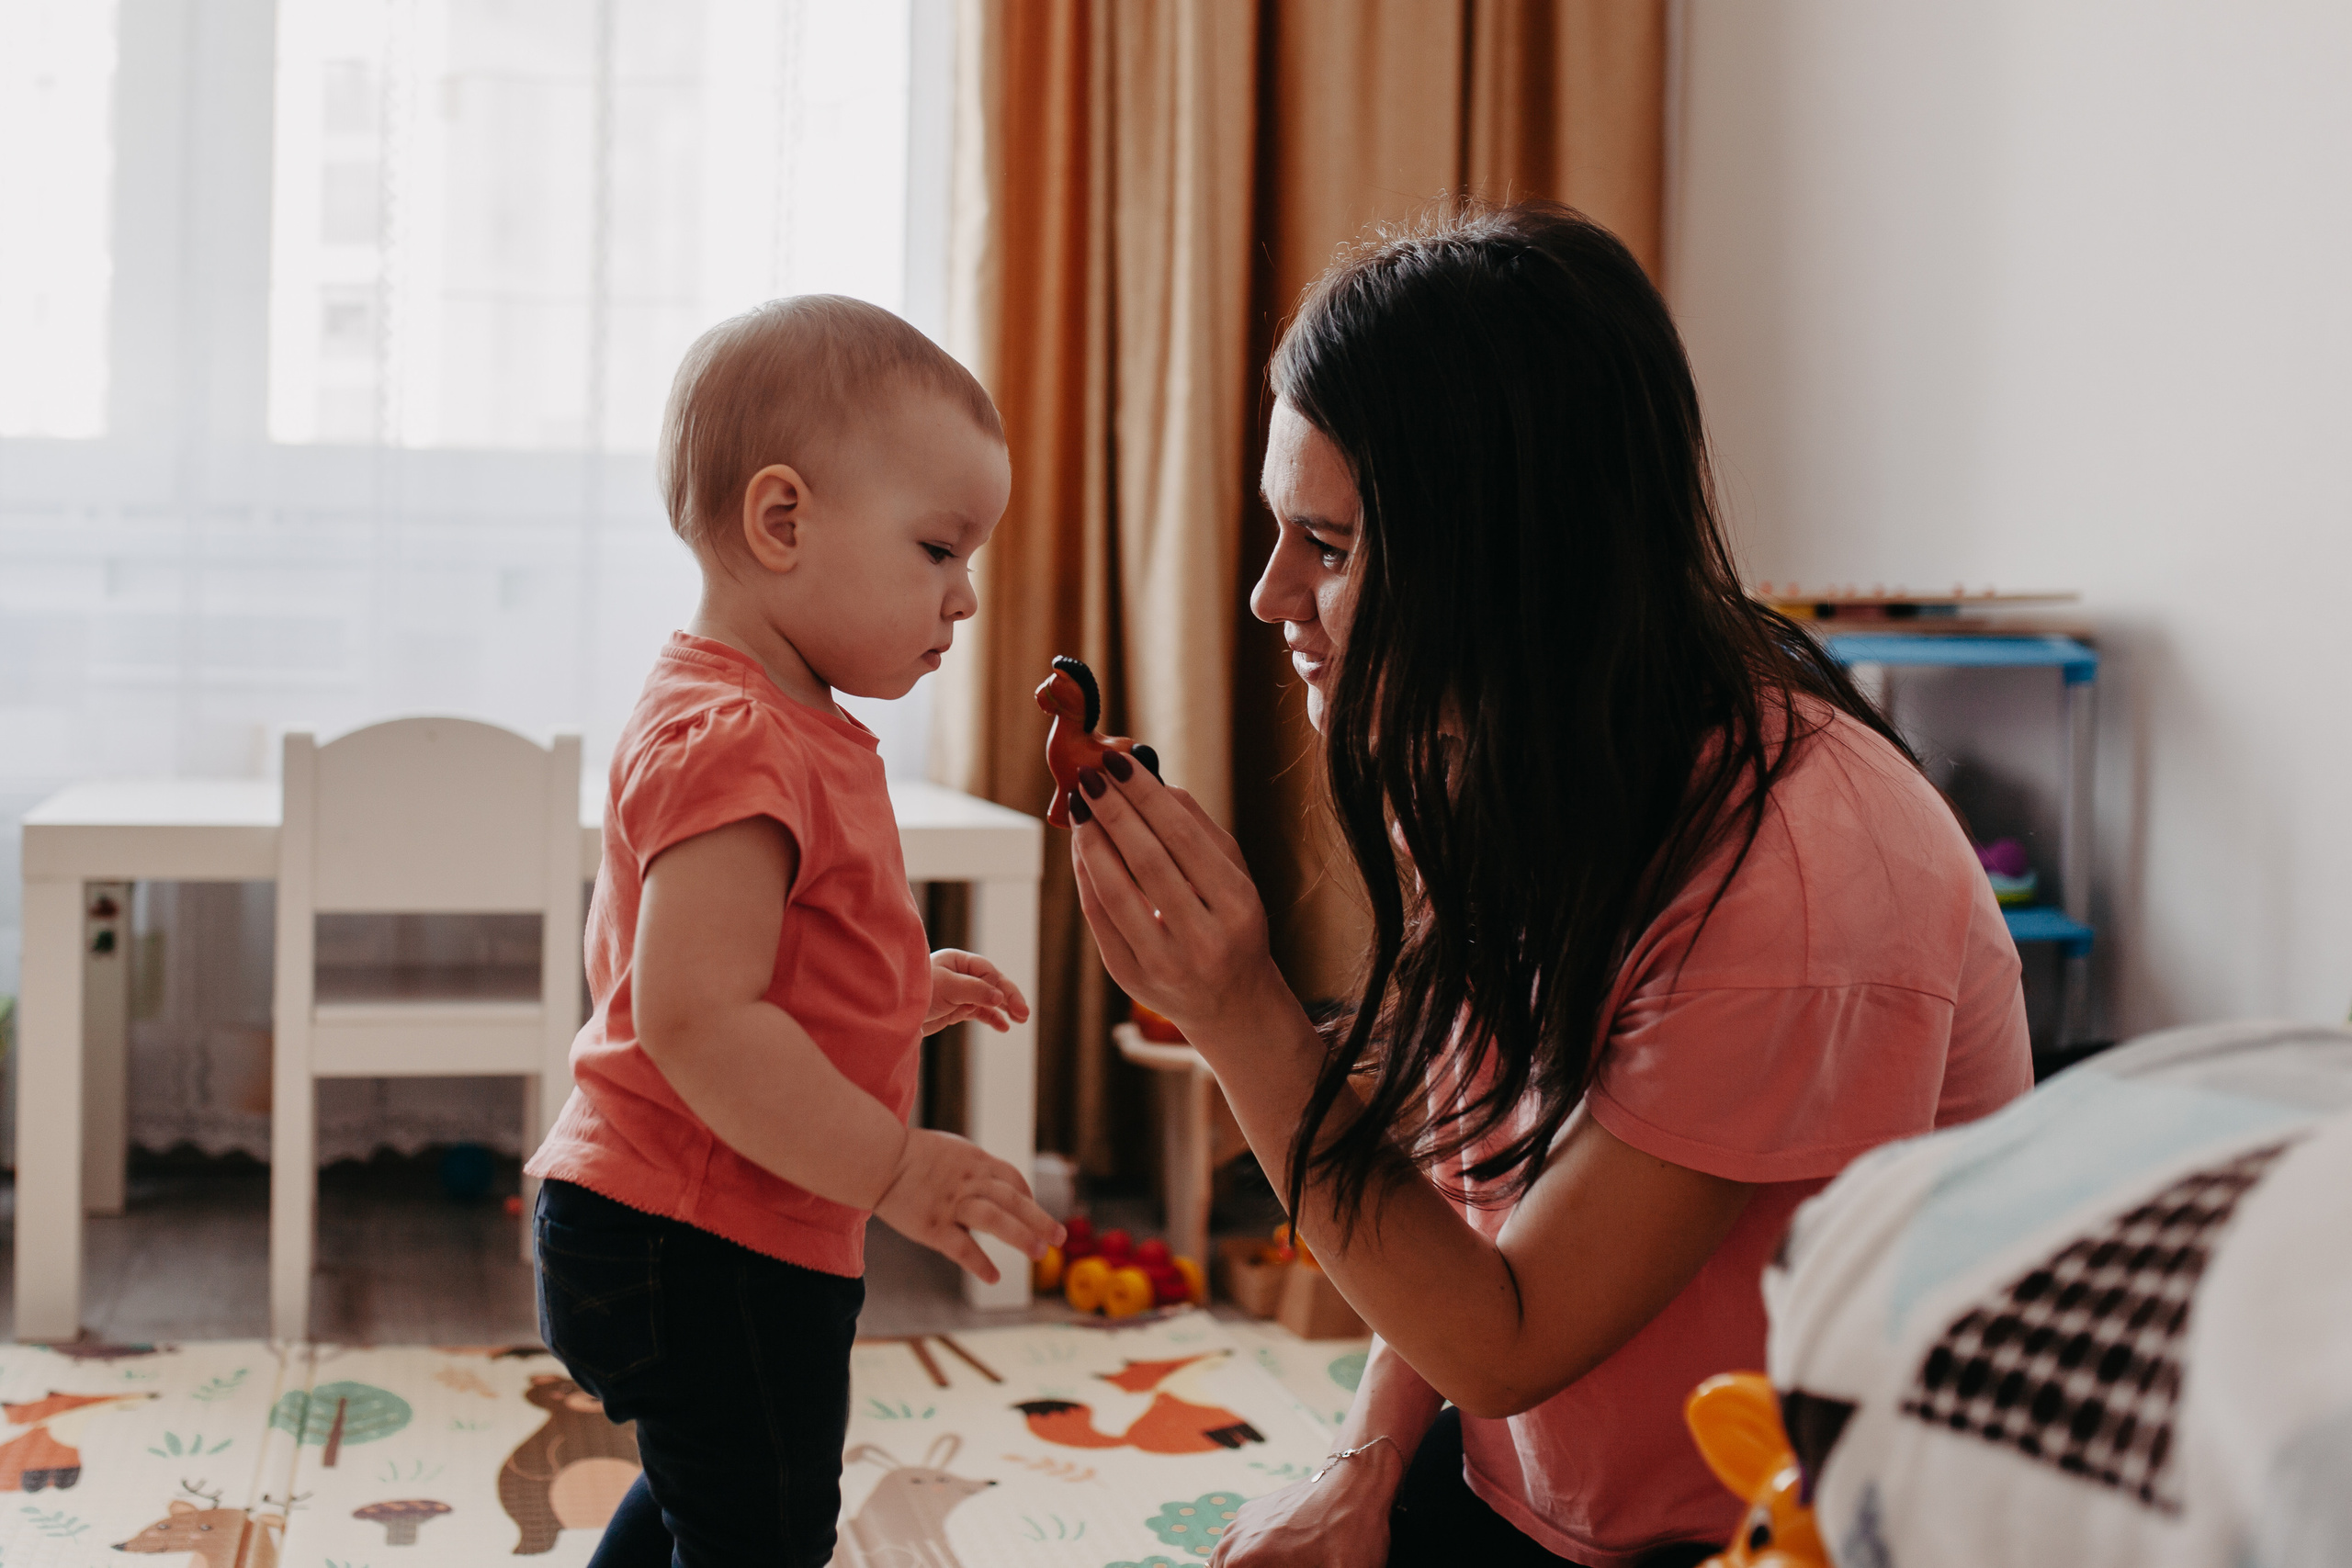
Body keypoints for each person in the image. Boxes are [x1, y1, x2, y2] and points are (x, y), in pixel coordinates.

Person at [1065, 203, 2032, 1568]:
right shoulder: (1486, 749)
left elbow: (1506, 1337)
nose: (1268, 595)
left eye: (1329, 547)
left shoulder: (1802, 886)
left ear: (1509, 560)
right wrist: (1366, 1463)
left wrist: (1237, 1013)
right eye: (1281, 532)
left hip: (1768, 1534)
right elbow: (1459, 1202)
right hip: (1528, 1473)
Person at [524, 296, 1062, 1568]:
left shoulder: (745, 711)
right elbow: (696, 1015)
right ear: (783, 522)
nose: (968, 597)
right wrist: (893, 1168)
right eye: (939, 549)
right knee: (759, 1529)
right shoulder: (739, 741)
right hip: (702, 1240)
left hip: (675, 1225)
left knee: (712, 1490)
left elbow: (751, 963)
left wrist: (885, 988)